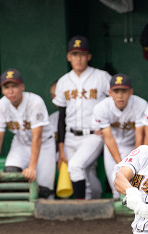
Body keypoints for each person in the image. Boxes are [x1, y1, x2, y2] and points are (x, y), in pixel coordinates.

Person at [53, 35, 111, 199]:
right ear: (69, 57)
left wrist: (107, 127)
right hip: (71, 136)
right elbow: (61, 115)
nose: (79, 58)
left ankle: (80, 207)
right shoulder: (63, 82)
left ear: (89, 56)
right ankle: (95, 202)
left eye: (82, 54)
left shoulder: (102, 76)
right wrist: (61, 145)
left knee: (75, 166)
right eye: (75, 54)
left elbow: (114, 104)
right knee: (87, 173)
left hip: (94, 134)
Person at [0, 69, 55, 198]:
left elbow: (38, 137)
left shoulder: (35, 102)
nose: (11, 91)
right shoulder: (1, 105)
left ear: (22, 87)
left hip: (44, 145)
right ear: (2, 90)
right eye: (6, 87)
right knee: (10, 176)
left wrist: (32, 167)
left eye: (14, 86)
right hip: (21, 143)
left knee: (45, 189)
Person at [93, 73, 148, 199]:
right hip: (112, 145)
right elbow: (108, 138)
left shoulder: (140, 104)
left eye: (123, 91)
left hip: (132, 145)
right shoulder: (101, 107)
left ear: (130, 92)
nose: (120, 95)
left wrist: (135, 160)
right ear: (110, 92)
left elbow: (140, 135)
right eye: (116, 91)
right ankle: (118, 214)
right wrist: (121, 164)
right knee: (115, 182)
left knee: (132, 178)